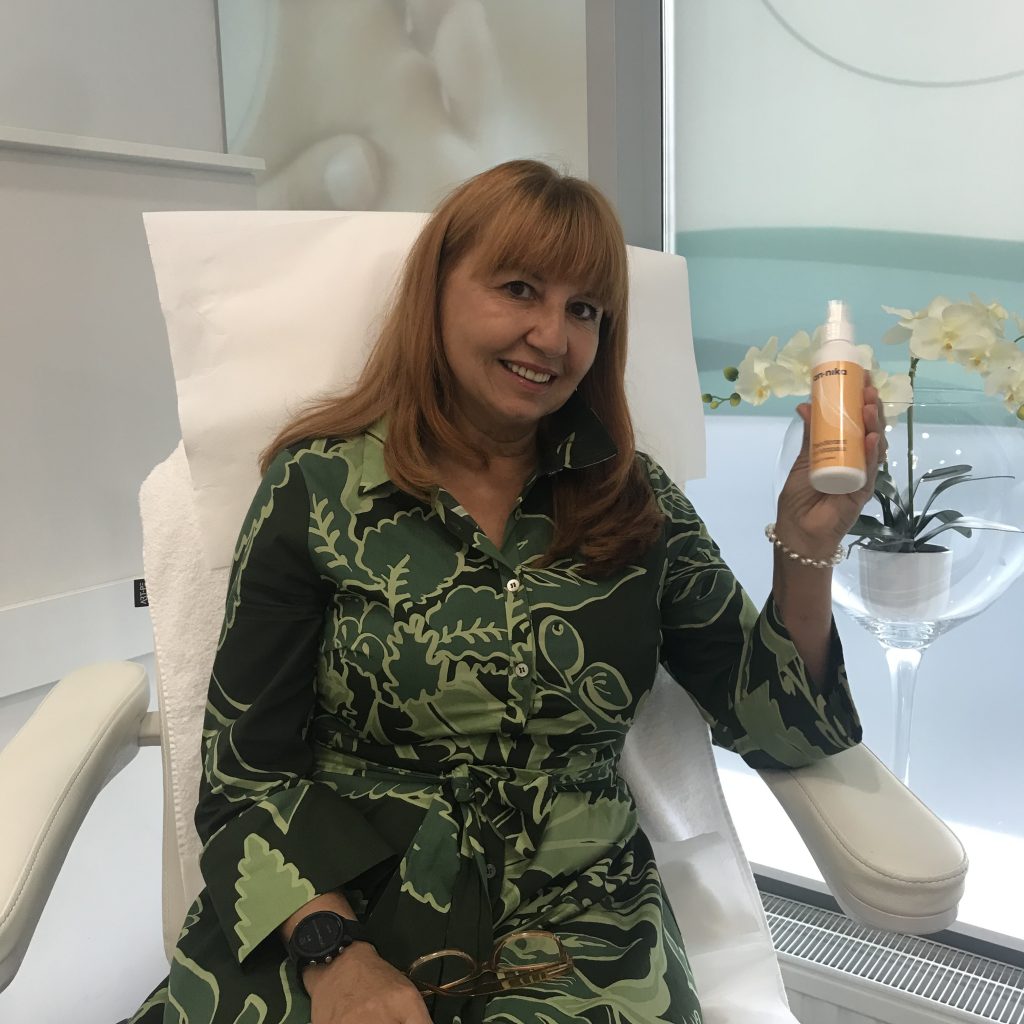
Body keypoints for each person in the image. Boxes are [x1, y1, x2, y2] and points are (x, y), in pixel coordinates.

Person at [127, 159, 882, 1024]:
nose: (552, 337)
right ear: (436, 291)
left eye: (584, 310)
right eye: (519, 289)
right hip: (338, 894)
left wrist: (808, 548)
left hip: (579, 921)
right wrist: (333, 955)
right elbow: (244, 771)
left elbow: (785, 727)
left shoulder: (636, 503)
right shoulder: (318, 486)